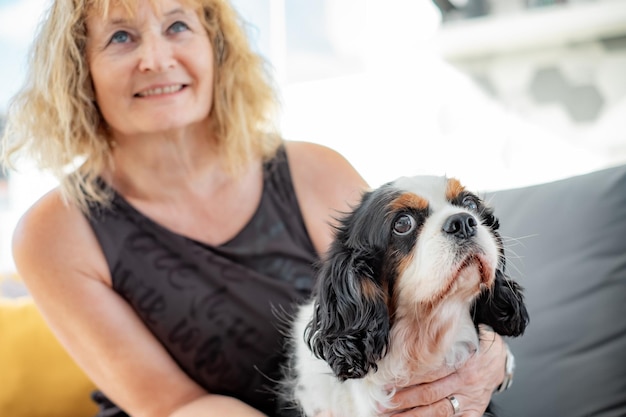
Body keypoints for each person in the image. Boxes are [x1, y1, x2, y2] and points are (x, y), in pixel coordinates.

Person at [0, 0, 512, 416]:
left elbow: (436, 294)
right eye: (120, 37)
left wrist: (487, 366)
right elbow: (175, 405)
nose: (155, 58)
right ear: (78, 69)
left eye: (178, 25)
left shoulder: (314, 170)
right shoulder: (53, 231)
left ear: (216, 48)